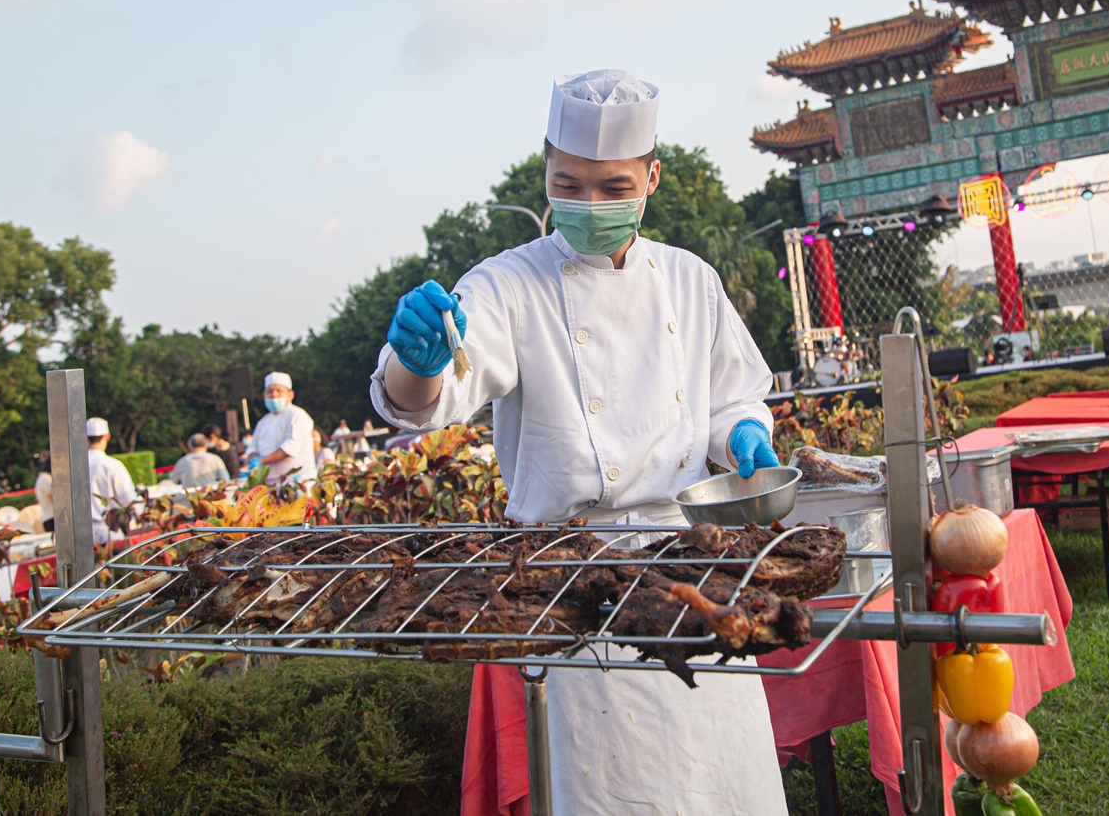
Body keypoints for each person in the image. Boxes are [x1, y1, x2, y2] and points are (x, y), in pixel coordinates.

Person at [371, 69, 786, 814]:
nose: (589, 204)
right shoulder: (506, 285)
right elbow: (424, 402)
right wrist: (416, 361)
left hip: (693, 567)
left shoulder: (692, 281)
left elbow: (731, 395)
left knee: (728, 785)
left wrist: (745, 433)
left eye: (612, 187)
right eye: (571, 183)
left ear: (652, 178)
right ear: (547, 170)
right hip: (572, 587)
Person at [247, 372, 317, 484]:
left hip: (299, 482)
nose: (274, 394)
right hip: (271, 485)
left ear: (290, 395)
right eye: (269, 391)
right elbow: (252, 449)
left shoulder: (297, 415)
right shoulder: (263, 422)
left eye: (279, 391)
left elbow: (289, 448)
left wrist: (262, 461)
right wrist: (253, 461)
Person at [85, 417, 138, 547]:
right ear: (107, 436)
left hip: (82, 535)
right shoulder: (112, 465)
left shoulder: (74, 466)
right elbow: (129, 501)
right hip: (110, 533)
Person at [34, 451, 55, 533]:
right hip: (51, 517)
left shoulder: (43, 478)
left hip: (50, 517)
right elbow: (54, 499)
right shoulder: (45, 479)